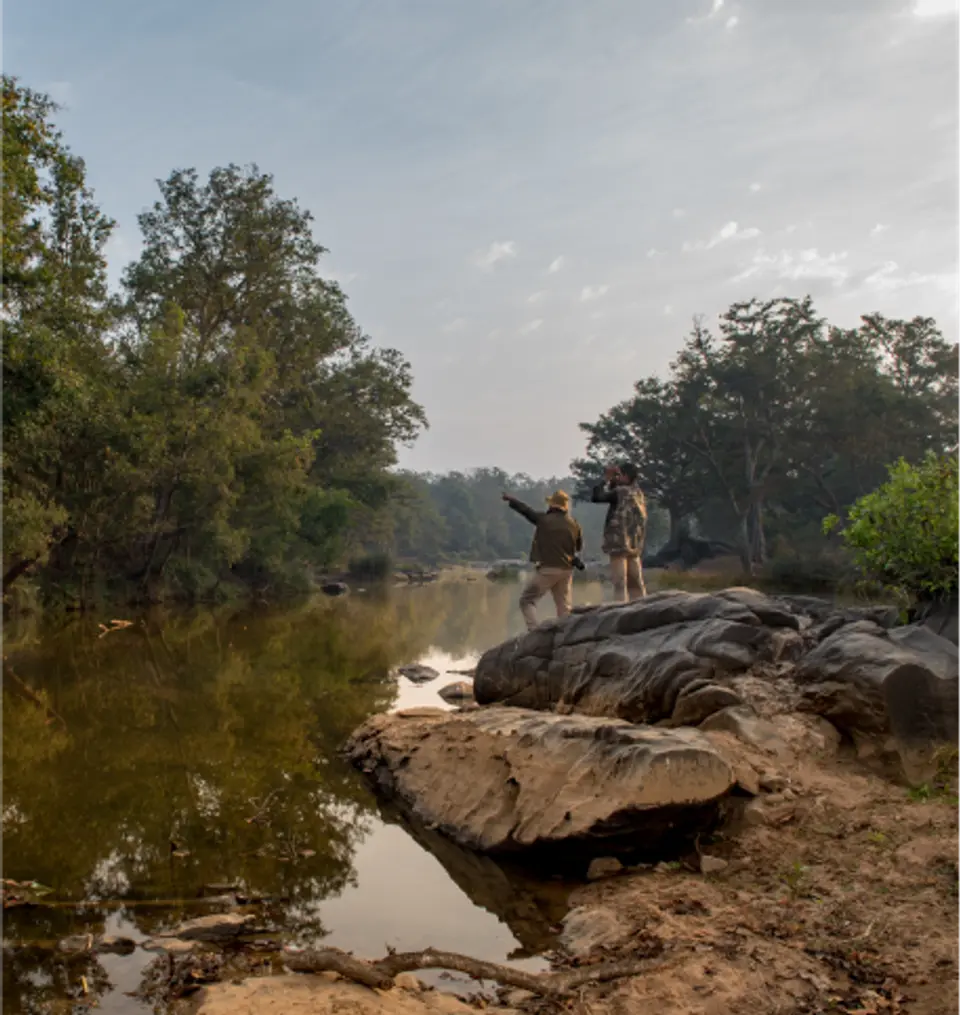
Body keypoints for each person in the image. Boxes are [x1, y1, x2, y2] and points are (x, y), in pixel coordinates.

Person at [501, 489, 583, 630]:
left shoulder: (544, 520)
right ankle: (565, 634)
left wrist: (512, 501)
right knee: (564, 607)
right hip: (567, 570)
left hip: (548, 569)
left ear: (552, 506)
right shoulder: (574, 524)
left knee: (527, 600)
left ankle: (534, 630)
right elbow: (579, 546)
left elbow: (527, 511)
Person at [592, 462, 647, 601]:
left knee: (620, 584)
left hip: (618, 543)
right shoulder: (638, 494)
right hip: (634, 545)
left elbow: (597, 497)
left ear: (626, 476)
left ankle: (620, 611)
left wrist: (606, 479)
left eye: (619, 474)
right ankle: (643, 610)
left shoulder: (620, 493)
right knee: (636, 584)